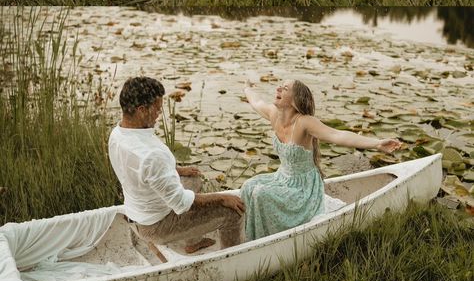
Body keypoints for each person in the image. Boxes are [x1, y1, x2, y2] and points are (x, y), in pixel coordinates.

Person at [240, 79, 401, 241]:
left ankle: (269, 240)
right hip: (282, 177)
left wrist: (378, 143)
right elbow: (256, 101)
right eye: (280, 86)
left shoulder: (304, 122)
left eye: (285, 88)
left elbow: (337, 135)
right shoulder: (273, 114)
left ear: (295, 100)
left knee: (260, 193)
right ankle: (254, 238)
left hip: (303, 187)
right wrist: (247, 88)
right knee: (248, 186)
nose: (278, 89)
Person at [108, 76, 244, 255]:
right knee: (232, 213)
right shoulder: (152, 154)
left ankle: (192, 243)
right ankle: (232, 258)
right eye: (157, 109)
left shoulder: (117, 134)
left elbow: (143, 170)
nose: (159, 114)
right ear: (142, 110)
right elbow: (181, 203)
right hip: (156, 226)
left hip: (138, 212)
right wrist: (222, 197)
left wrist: (178, 170)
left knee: (192, 178)